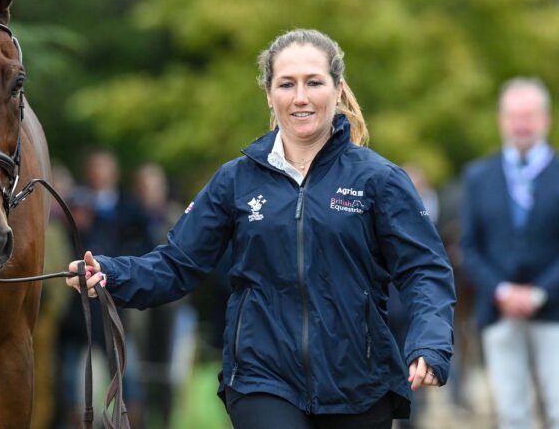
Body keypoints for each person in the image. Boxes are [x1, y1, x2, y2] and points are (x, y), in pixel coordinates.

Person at [66, 29, 455, 428]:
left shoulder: (380, 180)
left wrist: (429, 341)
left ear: (337, 90)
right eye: (287, 84)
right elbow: (176, 265)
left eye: (314, 82)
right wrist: (110, 274)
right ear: (270, 94)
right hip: (260, 378)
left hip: (358, 384)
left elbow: (425, 268)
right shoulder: (235, 181)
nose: (300, 97)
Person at [461, 77, 559, 429]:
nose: (521, 124)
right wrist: (502, 290)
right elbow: (469, 246)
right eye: (513, 116)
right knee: (512, 414)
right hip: (498, 311)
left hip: (554, 312)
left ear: (545, 119)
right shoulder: (478, 176)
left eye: (529, 116)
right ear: (502, 120)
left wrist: (538, 292)